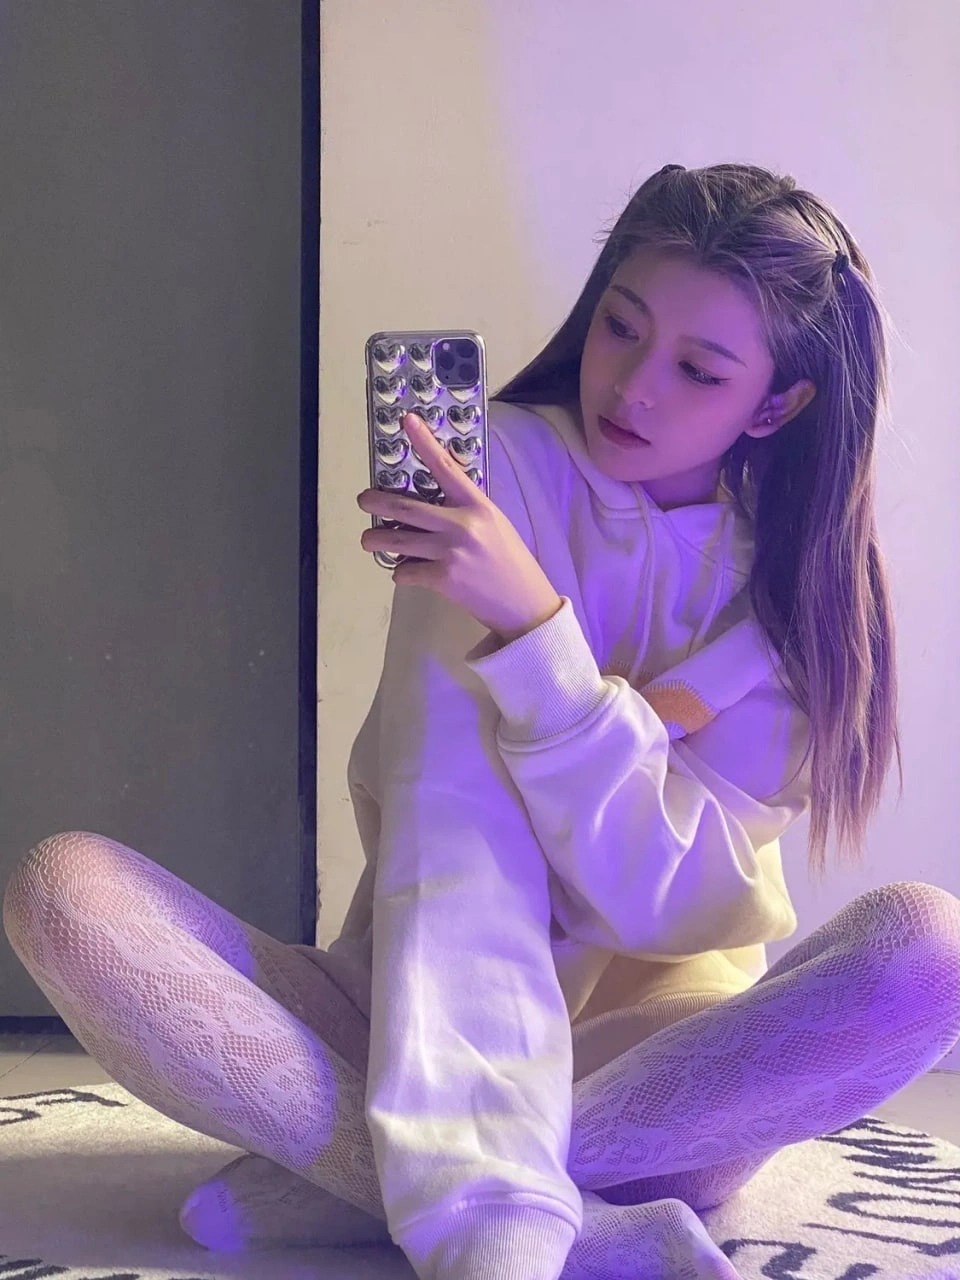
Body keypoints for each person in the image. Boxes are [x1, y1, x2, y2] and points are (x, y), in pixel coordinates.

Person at [4, 162, 960, 1280]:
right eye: (620, 326)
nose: (633, 386)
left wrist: (538, 636)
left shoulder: (797, 600)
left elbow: (661, 897)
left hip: (649, 1041)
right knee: (66, 896)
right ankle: (521, 1198)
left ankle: (374, 1176)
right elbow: (451, 828)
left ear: (775, 406)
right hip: (414, 999)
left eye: (698, 370)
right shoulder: (492, 475)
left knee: (927, 953)